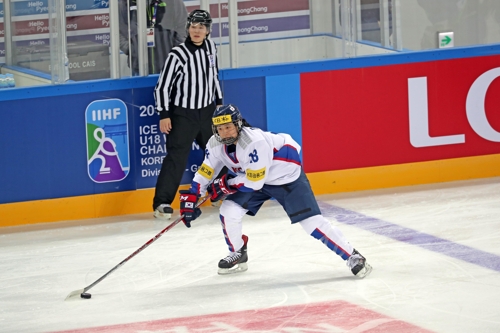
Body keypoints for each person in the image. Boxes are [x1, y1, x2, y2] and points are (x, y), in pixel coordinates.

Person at [178, 104, 373, 278]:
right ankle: (237, 253)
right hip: (254, 177)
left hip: (285, 176)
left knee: (311, 223)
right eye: (220, 129)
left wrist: (225, 185)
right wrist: (194, 193)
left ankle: (352, 255)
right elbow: (206, 170)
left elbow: (254, 183)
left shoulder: (254, 142)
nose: (225, 133)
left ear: (238, 125)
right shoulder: (215, 143)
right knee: (229, 210)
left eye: (228, 127)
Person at [152, 9, 223, 220]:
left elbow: (214, 76)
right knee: (176, 158)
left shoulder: (211, 48)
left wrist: (219, 104)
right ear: (188, 29)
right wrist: (164, 114)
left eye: (201, 27)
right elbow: (162, 87)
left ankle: (218, 194)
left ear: (208, 30)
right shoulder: (178, 55)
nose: (196, 31)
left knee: (218, 154)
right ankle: (162, 203)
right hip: (183, 115)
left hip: (208, 112)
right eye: (193, 27)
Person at [118, 0, 188, 75]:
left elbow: (183, 26)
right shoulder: (126, 2)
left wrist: (177, 48)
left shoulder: (174, 2)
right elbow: (118, 31)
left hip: (171, 65)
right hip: (138, 67)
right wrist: (131, 49)